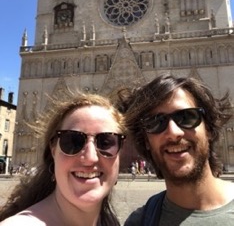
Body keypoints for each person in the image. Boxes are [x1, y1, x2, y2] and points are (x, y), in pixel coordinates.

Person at [116, 74, 234, 225]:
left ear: (209, 128)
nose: (173, 132)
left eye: (186, 117)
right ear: (146, 140)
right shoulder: (139, 222)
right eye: (155, 122)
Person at [0, 92, 126, 226]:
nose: (90, 158)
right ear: (53, 151)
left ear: (120, 153)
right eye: (72, 141)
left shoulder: (108, 222)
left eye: (106, 142)